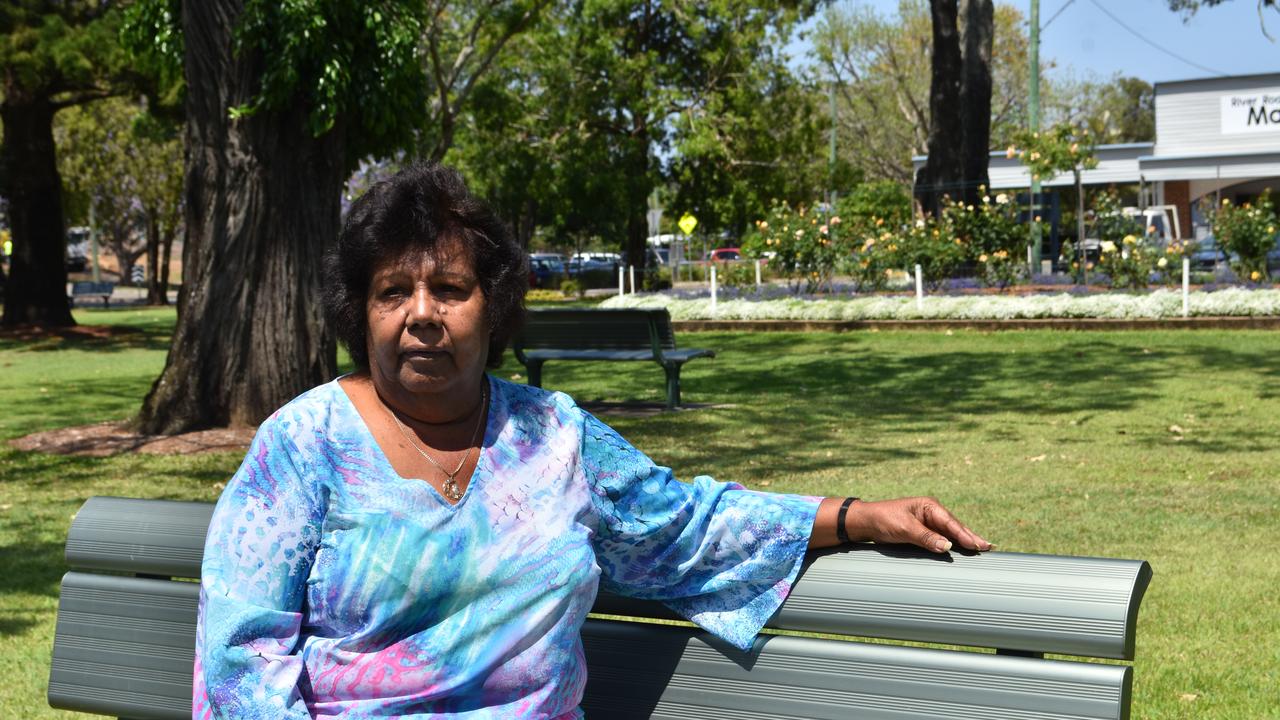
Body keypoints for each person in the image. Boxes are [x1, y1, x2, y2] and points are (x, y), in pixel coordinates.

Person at [195, 163, 991, 720]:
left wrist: (854, 516)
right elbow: (240, 660)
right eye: (392, 291)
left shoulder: (554, 435)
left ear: (494, 306)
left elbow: (682, 526)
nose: (422, 313)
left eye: (451, 289)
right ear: (359, 312)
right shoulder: (303, 445)